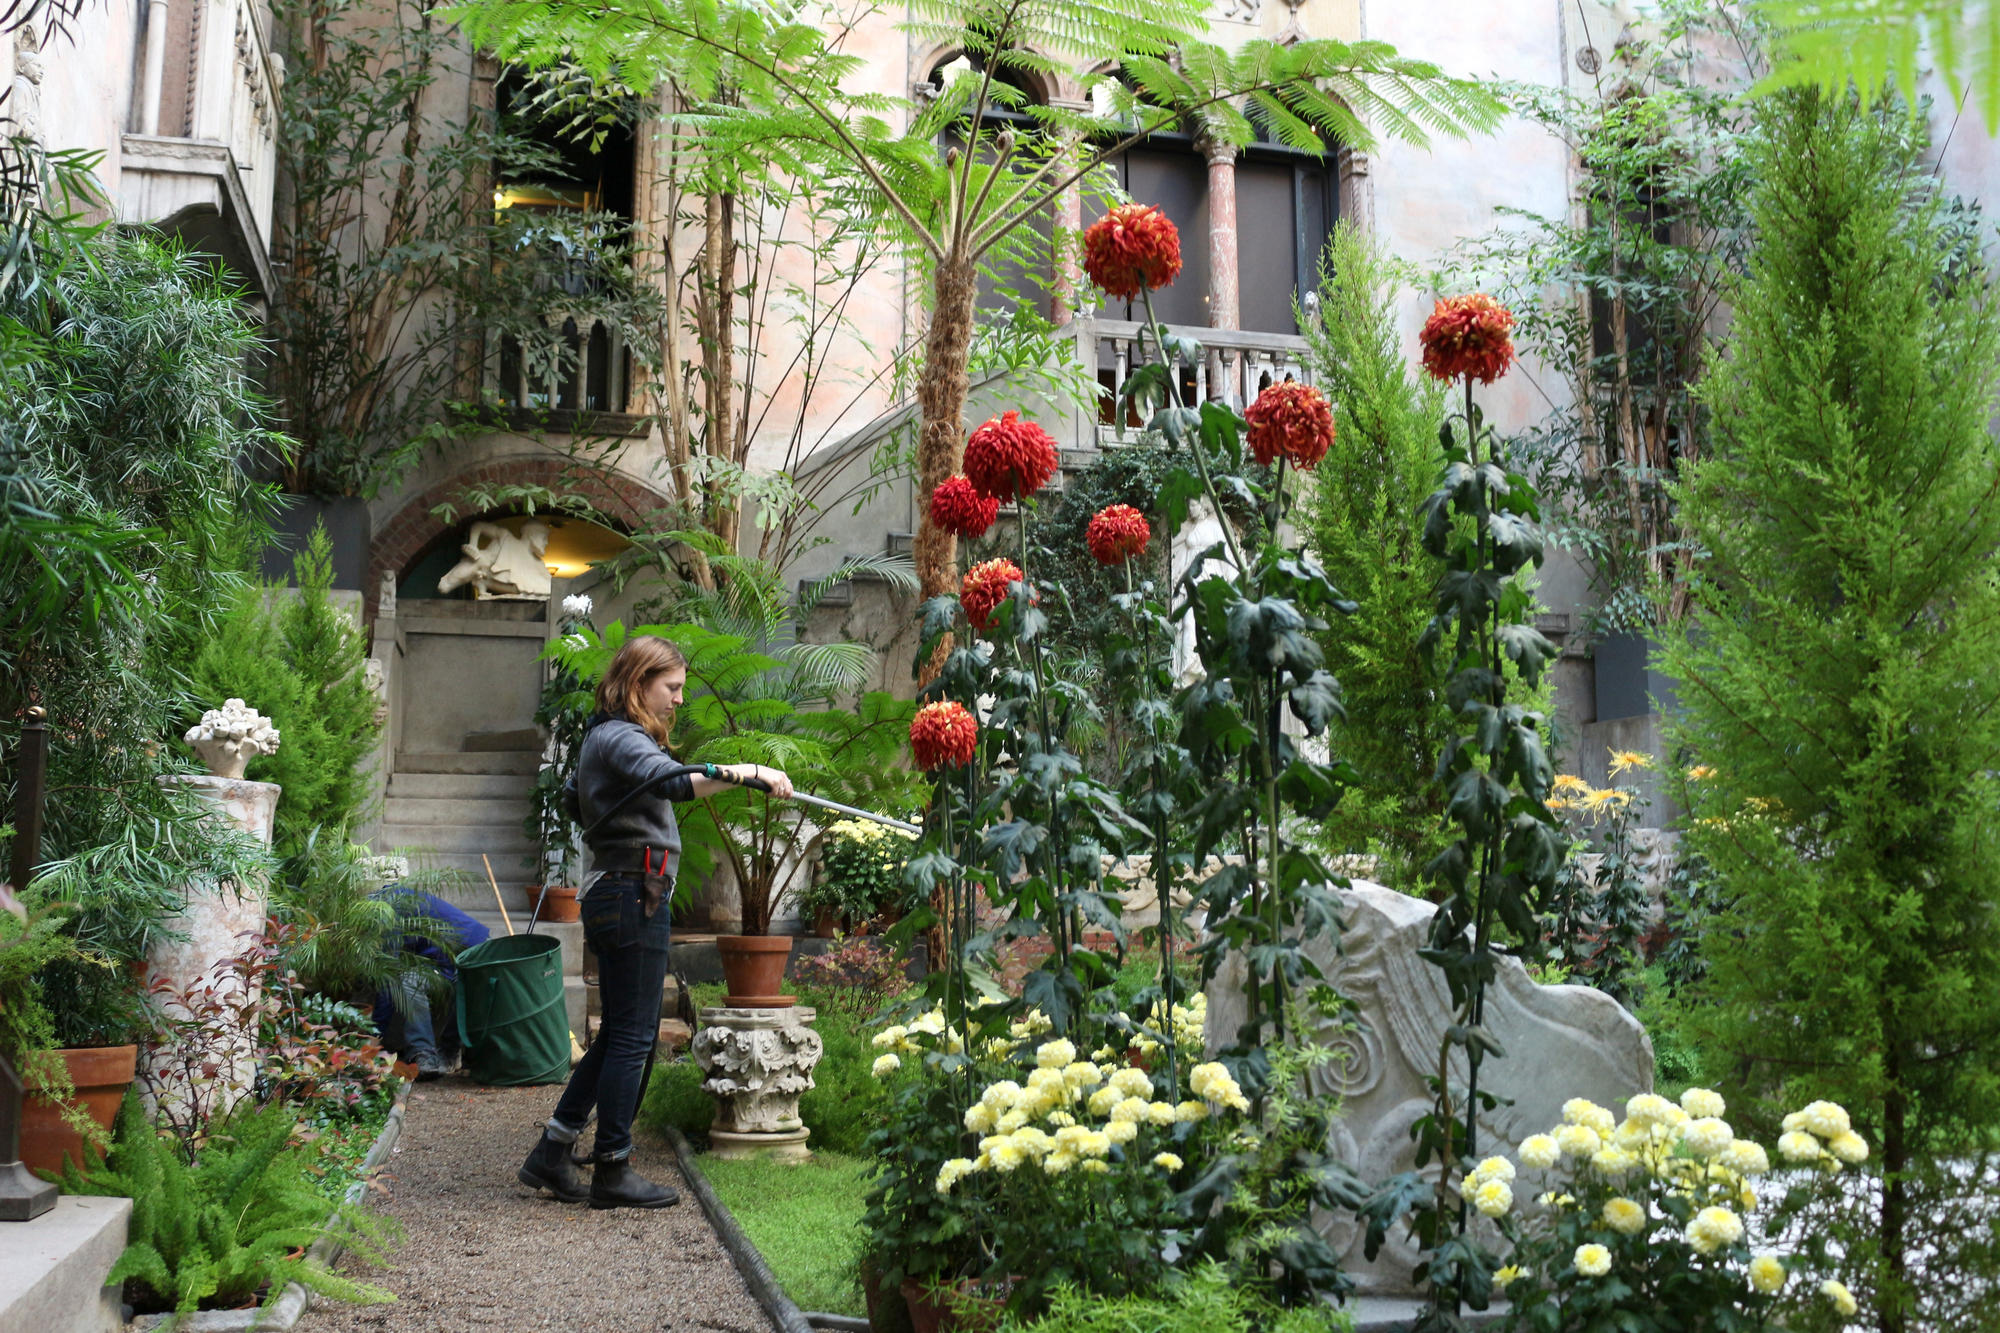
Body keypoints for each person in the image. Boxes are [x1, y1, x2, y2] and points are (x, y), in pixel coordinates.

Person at [517, 633, 792, 1209]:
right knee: (634, 1040)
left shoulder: (609, 739)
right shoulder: (620, 737)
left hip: (621, 893)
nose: (679, 700)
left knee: (621, 1035)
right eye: (672, 687)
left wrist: (744, 776)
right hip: (631, 896)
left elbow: (589, 796)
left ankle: (553, 1149)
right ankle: (612, 1169)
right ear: (638, 682)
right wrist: (749, 770)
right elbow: (671, 782)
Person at [370, 884, 488, 1081]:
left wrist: (374, 1035)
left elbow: (388, 976)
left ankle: (446, 1054)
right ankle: (424, 1054)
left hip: (474, 956)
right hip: (442, 964)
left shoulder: (389, 911)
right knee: (409, 981)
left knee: (463, 986)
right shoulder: (390, 901)